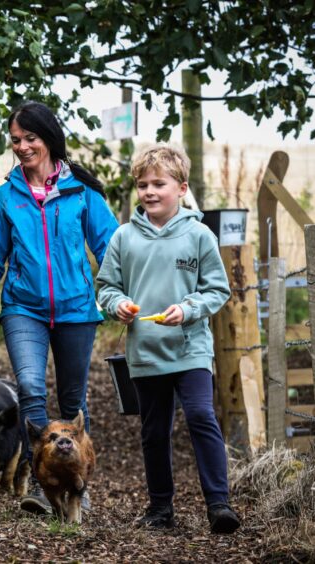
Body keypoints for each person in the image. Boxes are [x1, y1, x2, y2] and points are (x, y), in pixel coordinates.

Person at [0, 101, 118, 515]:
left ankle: (78, 485)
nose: (22, 147)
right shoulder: (9, 196)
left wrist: (128, 293)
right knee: (30, 389)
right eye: (16, 140)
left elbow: (113, 249)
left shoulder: (81, 192)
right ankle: (43, 485)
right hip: (23, 308)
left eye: (31, 138)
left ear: (49, 139)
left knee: (74, 399)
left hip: (78, 310)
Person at [96, 144, 241, 534]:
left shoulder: (199, 235)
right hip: (145, 352)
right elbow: (106, 287)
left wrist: (189, 308)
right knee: (154, 430)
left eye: (159, 183)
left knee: (200, 416)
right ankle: (160, 508)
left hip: (190, 347)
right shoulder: (124, 237)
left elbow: (216, 290)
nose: (149, 192)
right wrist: (119, 304)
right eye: (142, 185)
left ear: (181, 187)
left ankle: (219, 505)